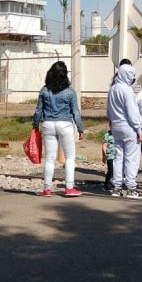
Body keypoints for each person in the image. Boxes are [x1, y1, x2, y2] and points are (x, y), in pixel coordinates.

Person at [32, 61, 84, 197]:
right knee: (70, 157)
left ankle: (47, 189)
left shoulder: (44, 90)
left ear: (50, 73)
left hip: (48, 124)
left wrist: (35, 125)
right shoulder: (70, 91)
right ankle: (69, 187)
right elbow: (75, 111)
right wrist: (80, 128)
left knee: (50, 158)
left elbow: (38, 110)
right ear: (65, 74)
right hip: (65, 125)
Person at [107, 63, 142, 198]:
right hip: (128, 127)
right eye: (131, 75)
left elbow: (108, 110)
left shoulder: (113, 88)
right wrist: (138, 129)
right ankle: (131, 188)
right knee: (131, 158)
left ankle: (116, 187)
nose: (132, 78)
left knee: (118, 158)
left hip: (115, 126)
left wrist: (112, 121)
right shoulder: (127, 90)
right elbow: (132, 112)